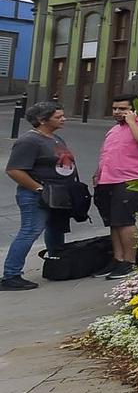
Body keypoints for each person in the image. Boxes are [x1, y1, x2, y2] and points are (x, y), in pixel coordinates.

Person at [4, 101, 77, 290]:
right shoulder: (29, 141)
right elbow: (14, 170)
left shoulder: (55, 138)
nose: (63, 119)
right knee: (30, 230)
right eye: (58, 117)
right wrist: (39, 189)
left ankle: (56, 264)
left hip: (57, 195)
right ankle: (11, 275)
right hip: (37, 195)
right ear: (42, 120)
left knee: (56, 229)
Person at [95, 91, 138, 280]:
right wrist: (98, 173)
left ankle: (130, 262)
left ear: (135, 110)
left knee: (125, 221)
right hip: (108, 180)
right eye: (115, 108)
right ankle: (118, 258)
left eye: (123, 109)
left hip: (133, 179)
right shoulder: (114, 129)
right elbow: (107, 153)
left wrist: (132, 122)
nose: (117, 112)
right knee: (114, 223)